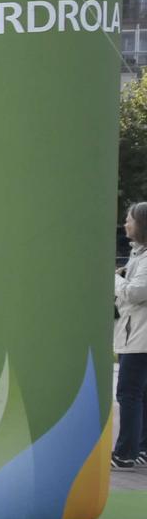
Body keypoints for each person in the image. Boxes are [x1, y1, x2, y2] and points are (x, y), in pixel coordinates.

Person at [116, 200, 147, 468]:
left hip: (139, 337)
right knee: (141, 394)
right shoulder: (138, 254)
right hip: (137, 334)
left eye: (129, 219)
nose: (126, 223)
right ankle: (141, 449)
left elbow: (136, 293)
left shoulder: (146, 256)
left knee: (128, 394)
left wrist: (113, 278)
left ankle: (125, 453)